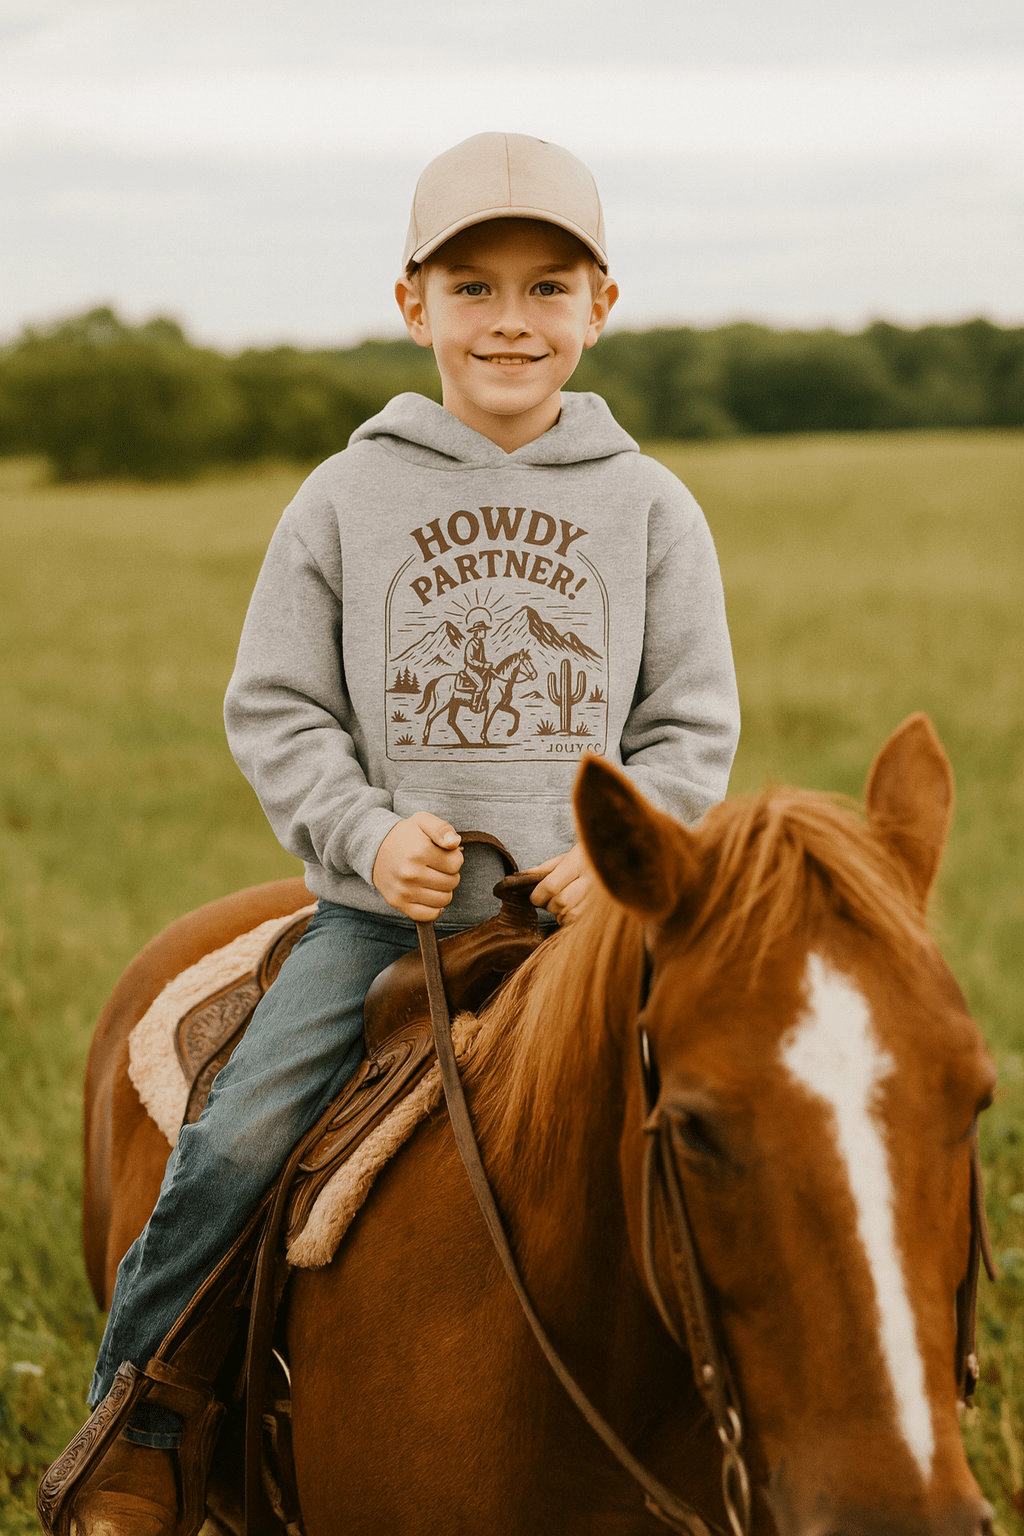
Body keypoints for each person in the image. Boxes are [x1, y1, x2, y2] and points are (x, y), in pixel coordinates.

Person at [53, 131, 741, 1535]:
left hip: (589, 927)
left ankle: (775, 1411)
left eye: (546, 288)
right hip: (390, 918)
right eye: (471, 286)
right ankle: (147, 1421)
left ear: (600, 307)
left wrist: (623, 861)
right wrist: (366, 838)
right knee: (242, 1132)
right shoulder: (345, 497)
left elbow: (690, 728)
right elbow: (279, 706)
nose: (508, 320)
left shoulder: (653, 507)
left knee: (757, 1119)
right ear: (411, 301)